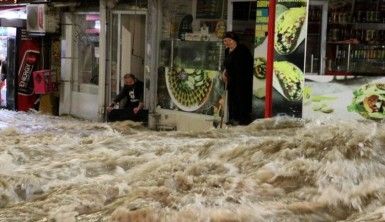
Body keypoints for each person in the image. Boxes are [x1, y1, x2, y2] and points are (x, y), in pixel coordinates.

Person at [222, 31, 254, 126]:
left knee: (241, 99)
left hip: (242, 81)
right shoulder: (227, 51)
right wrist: (224, 72)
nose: (225, 43)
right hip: (231, 80)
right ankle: (233, 118)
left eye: (227, 41)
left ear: (233, 41)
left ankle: (242, 120)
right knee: (232, 100)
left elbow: (248, 65)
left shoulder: (242, 50)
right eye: (224, 41)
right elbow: (226, 64)